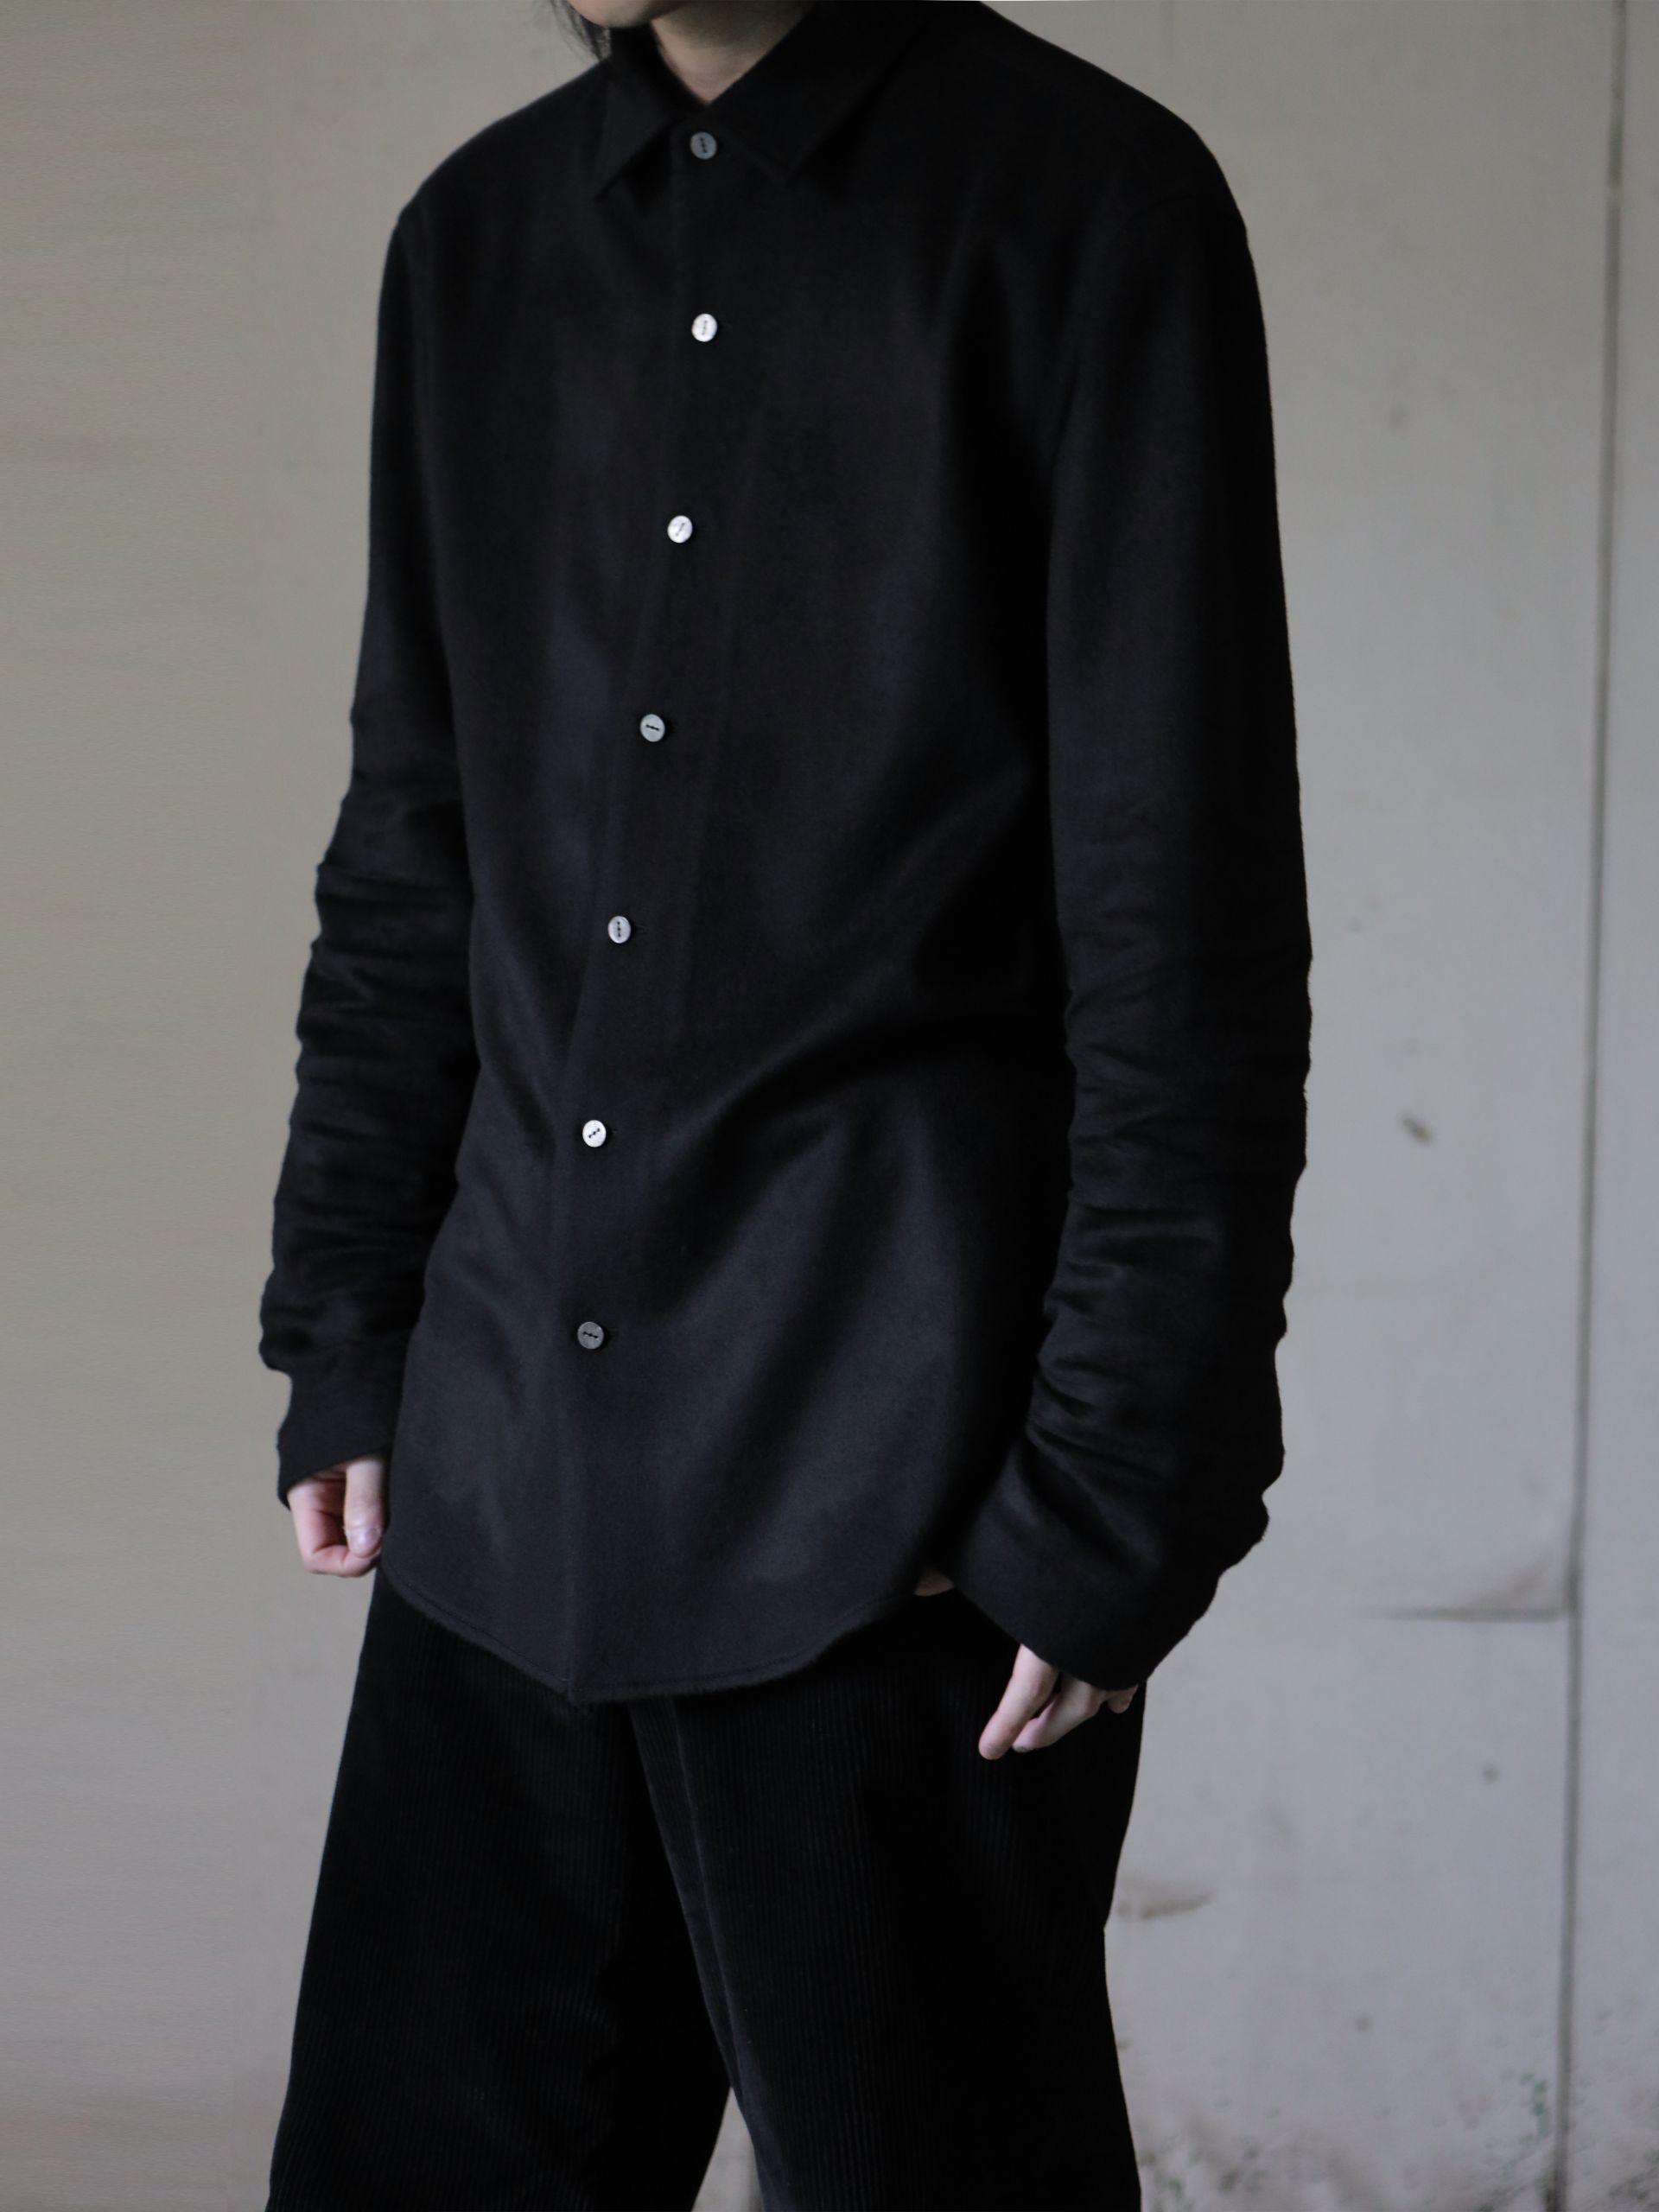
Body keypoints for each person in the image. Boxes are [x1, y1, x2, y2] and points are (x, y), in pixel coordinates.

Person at [257, 0, 1313, 2204]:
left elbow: (1182, 918)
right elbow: (416, 844)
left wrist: (1121, 1485)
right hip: (496, 1490)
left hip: (892, 1521)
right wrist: (348, 1321)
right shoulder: (474, 243)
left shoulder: (1091, 209)